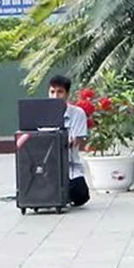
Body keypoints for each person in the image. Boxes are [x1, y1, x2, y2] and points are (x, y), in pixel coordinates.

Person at [47, 74, 91, 208]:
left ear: (67, 94)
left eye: (60, 92)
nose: (55, 96)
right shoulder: (40, 113)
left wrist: (70, 140)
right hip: (46, 168)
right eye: (52, 92)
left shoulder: (78, 113)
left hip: (71, 168)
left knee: (80, 195)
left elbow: (77, 141)